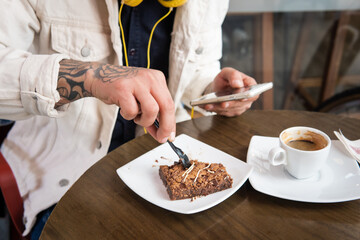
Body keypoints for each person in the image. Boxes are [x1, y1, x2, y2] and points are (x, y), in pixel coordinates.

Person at [0, 0, 258, 238]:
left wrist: (211, 88)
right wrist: (88, 77)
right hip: (63, 177)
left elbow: (197, 68)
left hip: (155, 168)